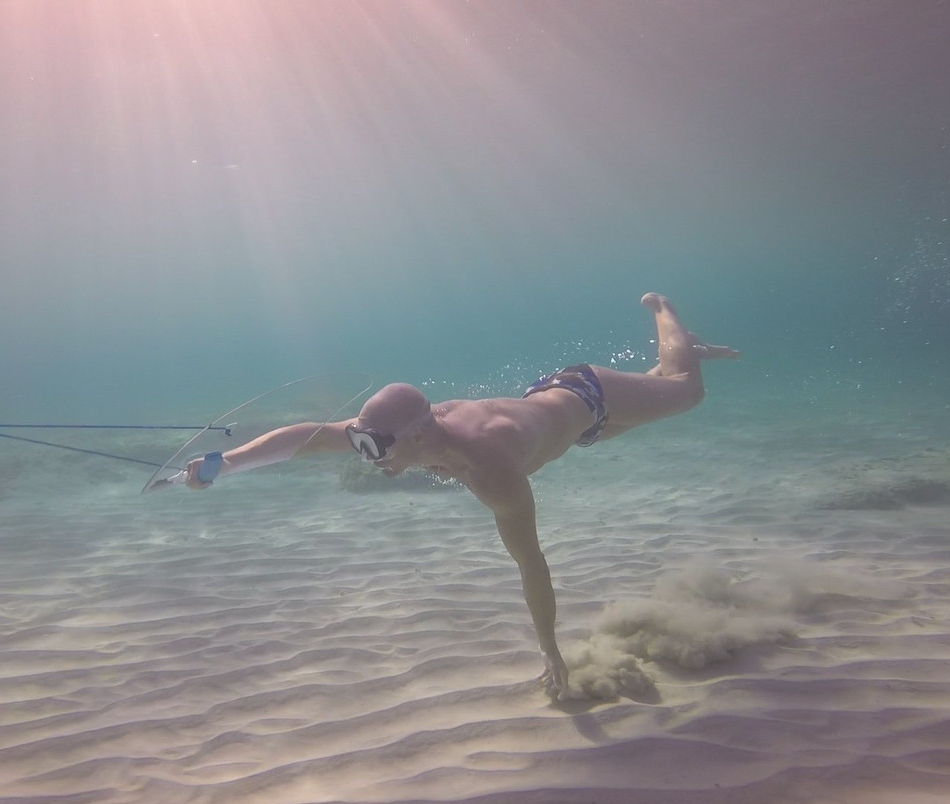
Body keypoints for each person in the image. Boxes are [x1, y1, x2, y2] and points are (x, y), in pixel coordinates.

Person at [185, 293, 740, 700]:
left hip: (590, 396)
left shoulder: (489, 469)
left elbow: (531, 564)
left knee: (685, 390)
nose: (368, 457)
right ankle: (661, 369)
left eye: (377, 447)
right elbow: (304, 438)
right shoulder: (399, 432)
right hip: (567, 423)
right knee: (646, 404)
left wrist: (549, 648)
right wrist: (226, 463)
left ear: (419, 435)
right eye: (362, 442)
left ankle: (666, 314)